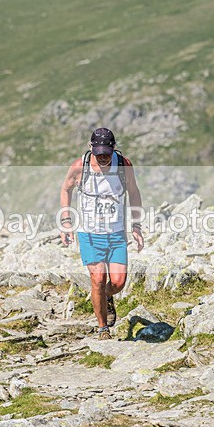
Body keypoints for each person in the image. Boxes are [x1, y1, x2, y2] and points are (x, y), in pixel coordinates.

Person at [59, 128, 144, 340]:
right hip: (89, 233)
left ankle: (106, 297)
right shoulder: (80, 167)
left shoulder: (124, 165)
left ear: (113, 148)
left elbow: (133, 192)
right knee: (98, 278)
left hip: (116, 233)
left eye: (107, 153)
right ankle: (102, 328)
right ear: (91, 149)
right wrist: (66, 221)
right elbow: (65, 189)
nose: (103, 157)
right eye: (99, 154)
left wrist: (136, 226)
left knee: (118, 282)